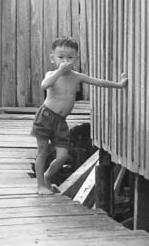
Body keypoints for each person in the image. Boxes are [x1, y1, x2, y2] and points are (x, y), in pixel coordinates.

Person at [31, 37, 128, 194]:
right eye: (60, 57)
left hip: (61, 122)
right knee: (43, 151)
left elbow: (100, 82)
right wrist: (59, 71)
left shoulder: (76, 77)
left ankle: (47, 176)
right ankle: (40, 185)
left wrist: (120, 84)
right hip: (46, 117)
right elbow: (44, 85)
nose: (65, 61)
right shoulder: (52, 74)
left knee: (62, 156)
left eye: (70, 57)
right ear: (52, 58)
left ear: (76, 59)